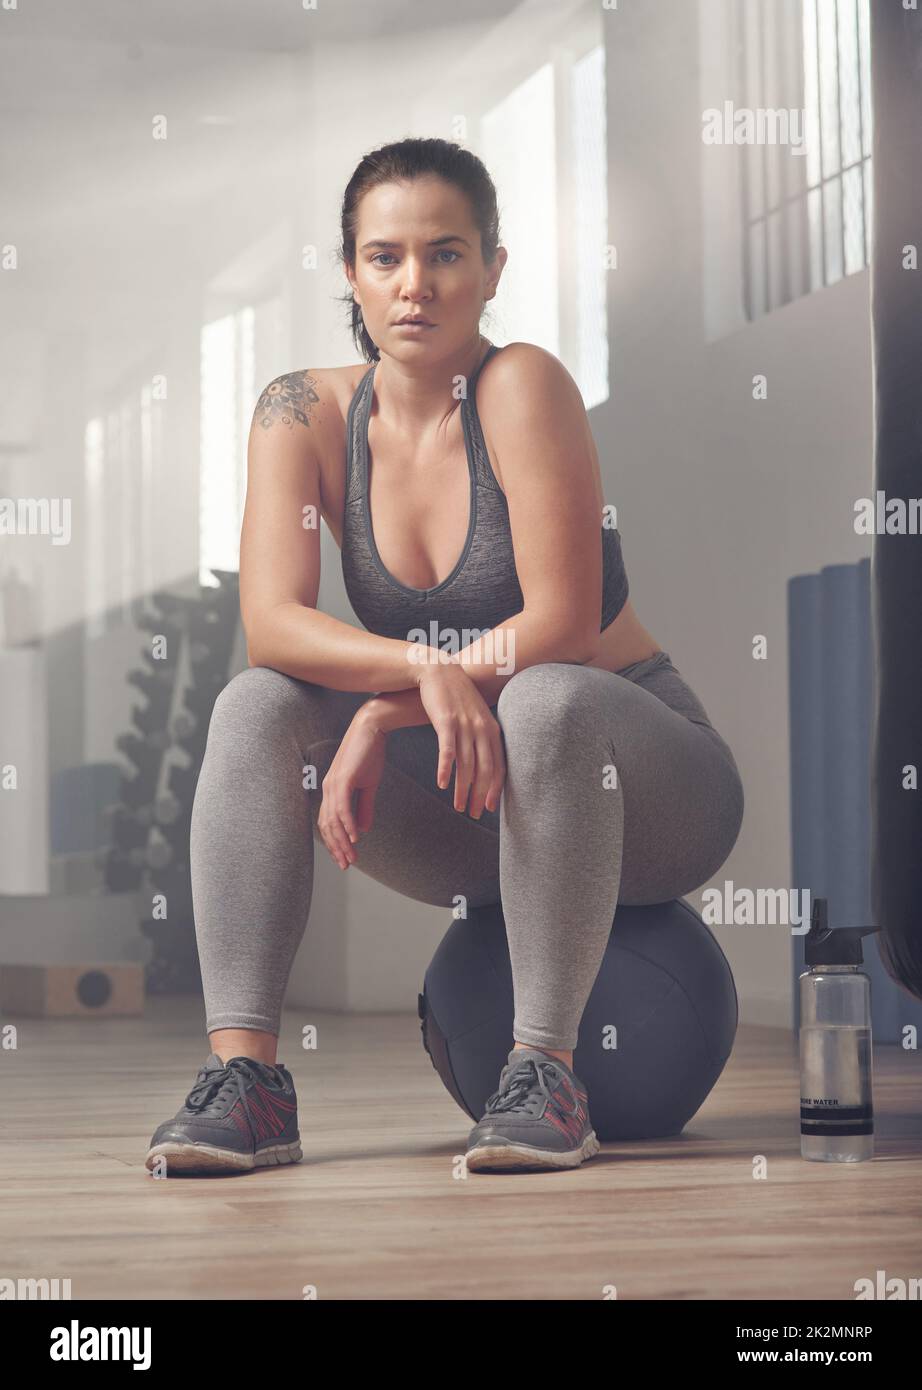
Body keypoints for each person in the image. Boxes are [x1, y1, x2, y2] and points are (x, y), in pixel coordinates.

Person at [145, 136, 744, 1177]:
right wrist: (419, 675)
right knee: (253, 705)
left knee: (548, 699)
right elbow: (274, 626)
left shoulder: (521, 385)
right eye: (384, 257)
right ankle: (246, 1083)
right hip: (474, 802)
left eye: (446, 254)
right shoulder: (303, 412)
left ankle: (546, 1073)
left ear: (493, 269)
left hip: (639, 781)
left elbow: (560, 625)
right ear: (349, 272)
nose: (414, 284)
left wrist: (385, 708)